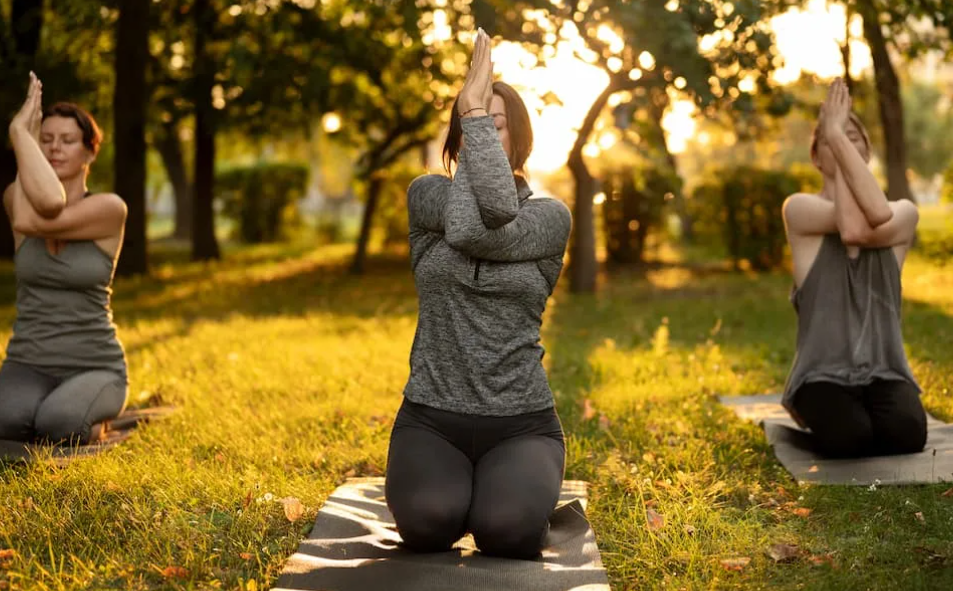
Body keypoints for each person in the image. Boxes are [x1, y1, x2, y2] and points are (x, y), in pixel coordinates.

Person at [384, 29, 573, 559]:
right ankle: (462, 493)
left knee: (506, 533)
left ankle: (512, 500)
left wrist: (471, 108)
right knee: (426, 526)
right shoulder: (427, 197)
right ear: (458, 135)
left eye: (495, 125)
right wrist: (474, 118)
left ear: (520, 139)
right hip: (429, 417)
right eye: (472, 122)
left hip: (522, 424)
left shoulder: (549, 218)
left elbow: (474, 229)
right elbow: (466, 220)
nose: (482, 132)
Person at [780, 77, 926, 458]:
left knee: (908, 436)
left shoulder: (905, 213)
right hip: (822, 374)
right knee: (849, 440)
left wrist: (835, 135)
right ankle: (818, 411)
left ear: (868, 151)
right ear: (815, 156)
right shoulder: (798, 210)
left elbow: (867, 221)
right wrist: (843, 148)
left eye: (853, 136)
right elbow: (851, 228)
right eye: (830, 138)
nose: (843, 142)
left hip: (885, 370)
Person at [0, 72, 129, 445]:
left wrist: (19, 132)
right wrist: (24, 138)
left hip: (94, 366)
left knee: (59, 425)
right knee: (6, 422)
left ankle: (86, 413)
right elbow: (35, 206)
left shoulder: (109, 208)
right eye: (46, 139)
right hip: (27, 363)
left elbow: (42, 213)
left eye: (68, 141)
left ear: (90, 151)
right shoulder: (14, 195)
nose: (55, 148)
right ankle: (42, 408)